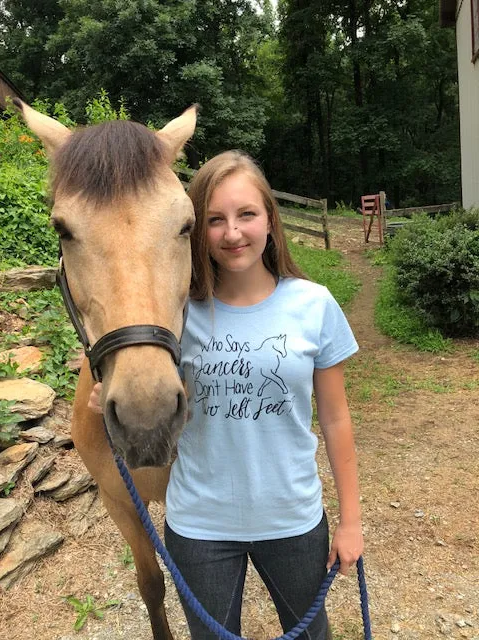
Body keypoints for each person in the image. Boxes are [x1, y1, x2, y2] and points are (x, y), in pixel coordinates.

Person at [89, 150, 363, 640]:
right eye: (215, 220)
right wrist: (111, 393)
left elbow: (337, 420)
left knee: (309, 634)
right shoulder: (176, 320)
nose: (232, 233)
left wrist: (351, 522)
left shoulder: (314, 304)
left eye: (246, 215)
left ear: (270, 221)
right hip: (200, 526)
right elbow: (141, 373)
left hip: (293, 520)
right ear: (198, 231)